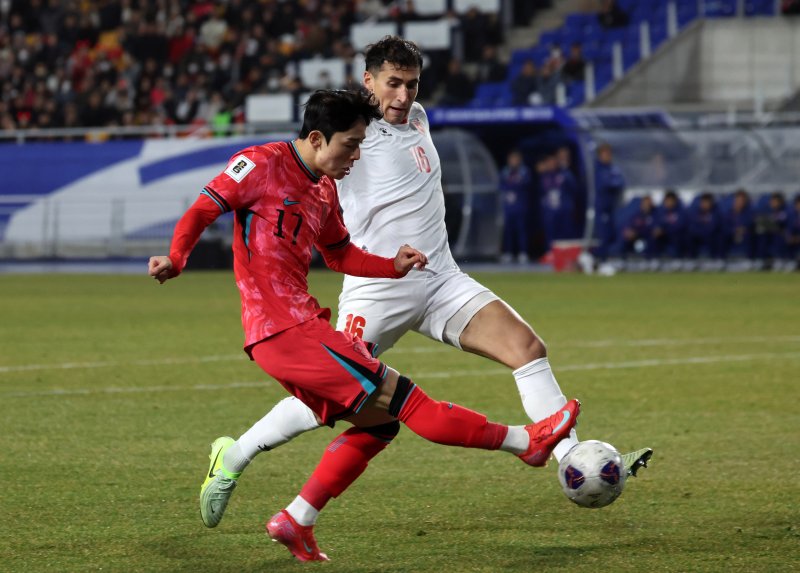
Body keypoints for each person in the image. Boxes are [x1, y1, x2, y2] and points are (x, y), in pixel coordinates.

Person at [198, 36, 652, 544]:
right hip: (376, 289)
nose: (403, 95)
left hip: (440, 280)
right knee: (335, 398)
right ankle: (235, 455)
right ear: (367, 81)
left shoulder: (419, 118)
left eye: (412, 84)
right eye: (392, 84)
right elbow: (311, 161)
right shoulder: (353, 134)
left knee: (528, 349)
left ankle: (573, 459)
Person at [149, 88, 581, 562]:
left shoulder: (322, 188)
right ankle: (527, 442)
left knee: (381, 424)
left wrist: (390, 265)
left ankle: (296, 518)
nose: (357, 155)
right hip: (285, 331)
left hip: (301, 329)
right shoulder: (259, 163)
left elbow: (339, 254)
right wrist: (176, 256)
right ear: (317, 137)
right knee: (412, 403)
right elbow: (203, 208)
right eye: (350, 144)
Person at [499, 149, 534, 264]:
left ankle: (523, 252)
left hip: (520, 206)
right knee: (508, 231)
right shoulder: (505, 172)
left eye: (515, 159)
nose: (513, 161)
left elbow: (526, 185)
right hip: (508, 207)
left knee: (521, 230)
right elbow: (501, 187)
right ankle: (508, 252)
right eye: (511, 159)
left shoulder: (524, 172)